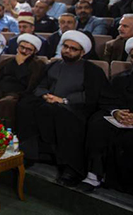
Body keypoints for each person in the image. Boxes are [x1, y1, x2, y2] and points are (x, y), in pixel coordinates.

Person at [16, 31, 108, 187]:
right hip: (49, 102)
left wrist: (64, 100)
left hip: (74, 108)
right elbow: (40, 86)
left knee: (63, 115)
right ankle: (29, 154)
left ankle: (70, 167)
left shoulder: (92, 70)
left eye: (73, 49)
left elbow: (91, 96)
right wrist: (45, 95)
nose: (67, 51)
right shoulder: (53, 65)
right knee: (25, 106)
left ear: (82, 52)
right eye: (65, 46)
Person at [80, 36, 133, 195]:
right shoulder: (121, 79)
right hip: (122, 119)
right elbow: (107, 99)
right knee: (97, 123)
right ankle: (94, 175)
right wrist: (116, 112)